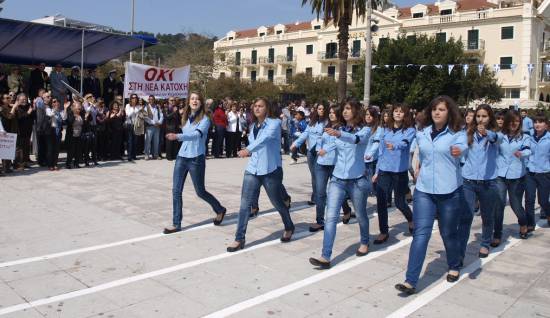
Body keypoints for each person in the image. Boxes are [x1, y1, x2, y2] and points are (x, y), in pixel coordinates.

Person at [395, 95, 467, 295]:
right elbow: (417, 152)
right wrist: (416, 167)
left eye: (442, 109)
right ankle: (410, 281)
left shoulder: (457, 133)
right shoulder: (422, 132)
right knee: (421, 233)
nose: (437, 112)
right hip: (424, 190)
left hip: (449, 190)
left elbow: (464, 148)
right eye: (434, 109)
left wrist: (458, 150)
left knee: (448, 233)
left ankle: (453, 264)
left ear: (449, 112)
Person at [308, 99, 372, 269]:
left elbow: (355, 140)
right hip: (337, 179)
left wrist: (339, 134)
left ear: (356, 111)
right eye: (343, 109)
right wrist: (324, 150)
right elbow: (334, 144)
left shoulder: (364, 130)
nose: (344, 112)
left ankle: (365, 241)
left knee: (360, 214)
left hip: (357, 180)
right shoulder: (339, 129)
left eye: (348, 109)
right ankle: (325, 256)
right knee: (330, 217)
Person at [227, 97, 295, 252]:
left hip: (270, 169)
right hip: (253, 169)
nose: (257, 108)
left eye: (261, 106)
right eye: (255, 106)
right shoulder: (253, 125)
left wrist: (248, 150)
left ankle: (289, 226)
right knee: (245, 205)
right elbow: (254, 141)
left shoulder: (274, 123)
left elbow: (264, 140)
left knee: (277, 202)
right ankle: (239, 239)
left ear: (267, 108)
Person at [163, 92, 227, 234]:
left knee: (200, 191)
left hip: (196, 158)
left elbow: (196, 135)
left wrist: (177, 136)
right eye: (192, 98)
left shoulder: (205, 118)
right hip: (182, 156)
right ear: (188, 102)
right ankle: (176, 223)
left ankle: (220, 209)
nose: (194, 101)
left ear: (201, 102)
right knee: (176, 190)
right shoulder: (185, 117)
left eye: (197, 99)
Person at [458, 104, 499, 258]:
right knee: (465, 216)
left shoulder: (496, 134)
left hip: (488, 182)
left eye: (484, 116)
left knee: (487, 216)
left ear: (490, 118)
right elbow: (460, 149)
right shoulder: (467, 133)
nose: (481, 119)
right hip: (468, 181)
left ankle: (485, 243)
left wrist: (487, 133)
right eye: (478, 116)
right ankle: (460, 251)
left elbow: (496, 139)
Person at [372, 104, 415, 244]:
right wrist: (377, 171)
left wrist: (394, 146)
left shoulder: (409, 130)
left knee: (400, 202)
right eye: (395, 111)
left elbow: (405, 143)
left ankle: (411, 219)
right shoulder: (385, 130)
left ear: (405, 115)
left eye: (401, 112)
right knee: (381, 201)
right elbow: (381, 152)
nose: (397, 113)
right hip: (384, 170)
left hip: (399, 172)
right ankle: (383, 231)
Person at [309, 104, 352, 232]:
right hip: (321, 163)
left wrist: (325, 150)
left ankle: (346, 209)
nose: (331, 114)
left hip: (335, 164)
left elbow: (336, 143)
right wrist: (318, 150)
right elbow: (319, 140)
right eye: (330, 112)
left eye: (334, 112)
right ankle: (320, 221)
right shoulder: (326, 126)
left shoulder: (342, 129)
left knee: (337, 192)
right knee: (320, 193)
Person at [493, 109, 532, 242]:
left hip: (517, 176)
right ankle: (497, 234)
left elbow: (528, 149)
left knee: (516, 205)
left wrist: (522, 154)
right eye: (511, 121)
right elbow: (494, 150)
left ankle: (523, 223)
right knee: (499, 204)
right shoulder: (499, 135)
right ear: (506, 122)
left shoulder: (524, 137)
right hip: (500, 175)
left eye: (516, 121)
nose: (513, 124)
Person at [291, 103, 327, 206]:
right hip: (311, 152)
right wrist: (295, 144)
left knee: (320, 176)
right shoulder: (312, 122)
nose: (321, 110)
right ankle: (316, 196)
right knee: (314, 176)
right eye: (319, 108)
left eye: (323, 109)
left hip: (322, 152)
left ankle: (319, 197)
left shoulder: (328, 122)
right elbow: (305, 133)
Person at [525, 114, 549, 225]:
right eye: (535, 122)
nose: (537, 124)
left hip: (544, 173)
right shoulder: (529, 136)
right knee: (529, 200)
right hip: (530, 172)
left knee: (543, 201)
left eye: (540, 122)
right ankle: (530, 224)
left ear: (546, 125)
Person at [364, 107, 382, 197]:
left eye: (371, 115)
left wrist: (369, 154)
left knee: (371, 182)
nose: (368, 117)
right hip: (360, 158)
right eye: (367, 114)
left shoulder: (378, 129)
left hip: (370, 159)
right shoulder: (362, 127)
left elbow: (376, 143)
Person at [64, 101, 84, 169]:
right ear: (74, 108)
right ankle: (68, 164)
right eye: (78, 107)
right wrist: (74, 115)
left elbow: (85, 122)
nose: (79, 108)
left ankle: (76, 163)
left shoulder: (81, 114)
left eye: (80, 107)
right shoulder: (70, 113)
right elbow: (69, 122)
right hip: (71, 135)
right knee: (71, 150)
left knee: (78, 150)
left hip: (79, 134)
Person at [144, 95, 163, 160]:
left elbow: (161, 115)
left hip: (157, 126)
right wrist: (153, 123)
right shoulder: (146, 107)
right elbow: (146, 118)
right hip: (150, 126)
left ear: (154, 100)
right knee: (148, 141)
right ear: (148, 100)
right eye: (150, 99)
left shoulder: (157, 107)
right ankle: (147, 154)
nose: (151, 100)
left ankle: (155, 155)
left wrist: (160, 122)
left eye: (152, 99)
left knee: (156, 141)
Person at [47, 97, 64, 170]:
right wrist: (55, 109)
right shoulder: (49, 110)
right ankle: (50, 165)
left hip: (58, 132)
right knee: (50, 149)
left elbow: (64, 118)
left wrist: (65, 109)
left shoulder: (61, 112)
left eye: (57, 101)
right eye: (54, 102)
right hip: (51, 131)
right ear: (51, 103)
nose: (56, 103)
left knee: (57, 149)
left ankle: (55, 164)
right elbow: (50, 114)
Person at [124, 94, 141, 161]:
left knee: (135, 141)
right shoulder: (128, 105)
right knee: (130, 141)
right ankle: (129, 156)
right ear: (130, 99)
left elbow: (140, 115)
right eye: (133, 98)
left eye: (135, 98)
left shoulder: (138, 106)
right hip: (129, 125)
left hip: (136, 125)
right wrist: (133, 108)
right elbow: (128, 114)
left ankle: (134, 155)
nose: (134, 99)